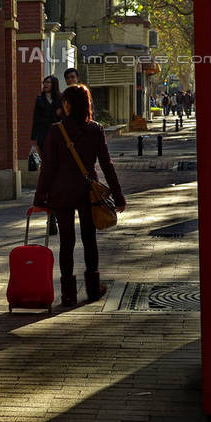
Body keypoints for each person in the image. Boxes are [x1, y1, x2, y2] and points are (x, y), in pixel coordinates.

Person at [33, 84, 126, 306]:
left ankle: (68, 294)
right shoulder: (95, 129)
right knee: (89, 239)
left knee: (67, 242)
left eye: (64, 102)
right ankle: (93, 289)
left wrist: (40, 197)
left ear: (68, 104)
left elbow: (48, 167)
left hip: (61, 193)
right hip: (87, 193)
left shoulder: (56, 131)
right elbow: (107, 164)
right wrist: (118, 196)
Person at [31, 75, 63, 235]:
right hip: (44, 138)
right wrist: (34, 140)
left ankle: (56, 213)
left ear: (54, 84)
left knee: (58, 176)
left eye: (48, 82)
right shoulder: (39, 100)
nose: (45, 85)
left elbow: (64, 118)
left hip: (58, 138)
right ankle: (51, 216)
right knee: (48, 174)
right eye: (44, 82)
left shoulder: (61, 99)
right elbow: (35, 120)